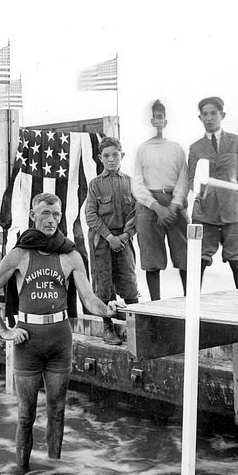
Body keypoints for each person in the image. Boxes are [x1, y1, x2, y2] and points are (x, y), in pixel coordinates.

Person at [0, 193, 117, 474]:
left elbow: (89, 299)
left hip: (59, 341)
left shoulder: (70, 255)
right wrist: (4, 332)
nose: (51, 219)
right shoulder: (19, 254)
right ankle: (21, 474)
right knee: (26, 415)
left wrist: (108, 310)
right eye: (45, 213)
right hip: (28, 342)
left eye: (56, 214)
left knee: (57, 411)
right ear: (33, 216)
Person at [131, 100, 189, 301]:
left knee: (184, 255)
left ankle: (188, 299)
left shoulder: (176, 148)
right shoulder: (142, 149)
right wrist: (156, 206)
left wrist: (173, 205)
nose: (158, 120)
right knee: (151, 257)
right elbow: (137, 183)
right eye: (155, 116)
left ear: (166, 120)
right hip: (150, 206)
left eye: (161, 116)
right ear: (151, 120)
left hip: (174, 202)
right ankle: (156, 304)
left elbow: (183, 178)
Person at [188, 97, 238, 289]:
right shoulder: (196, 148)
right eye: (205, 114)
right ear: (199, 117)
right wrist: (200, 193)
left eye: (213, 113)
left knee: (236, 258)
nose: (209, 118)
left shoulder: (237, 141)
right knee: (201, 258)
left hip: (233, 209)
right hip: (206, 211)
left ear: (222, 115)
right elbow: (192, 179)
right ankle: (193, 305)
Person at [85, 136, 138, 345]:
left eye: (115, 155)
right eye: (106, 156)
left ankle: (135, 329)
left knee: (129, 281)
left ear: (122, 155)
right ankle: (108, 328)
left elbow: (136, 212)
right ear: (100, 158)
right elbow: (91, 215)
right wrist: (109, 237)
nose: (111, 159)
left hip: (123, 240)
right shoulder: (95, 185)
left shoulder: (130, 183)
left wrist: (125, 236)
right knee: (104, 284)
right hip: (102, 240)